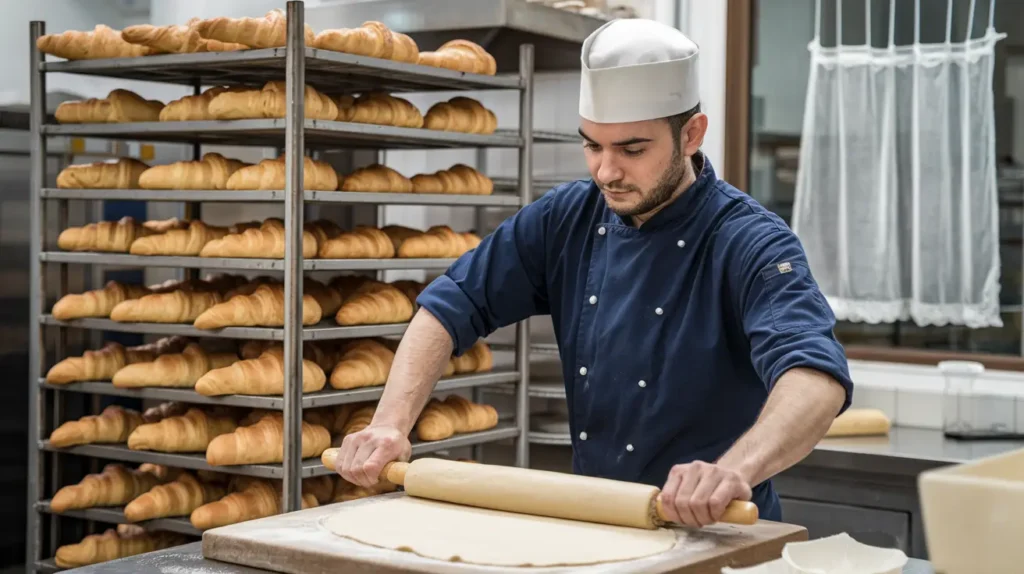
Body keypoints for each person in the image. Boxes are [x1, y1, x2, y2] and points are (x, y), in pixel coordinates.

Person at [335, 18, 853, 527]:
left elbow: (815, 379)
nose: (606, 171)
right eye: (592, 145)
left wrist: (732, 472)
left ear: (691, 134)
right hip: (600, 523)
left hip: (719, 535)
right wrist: (388, 425)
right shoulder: (567, 216)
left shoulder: (750, 242)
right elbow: (452, 305)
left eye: (632, 149)